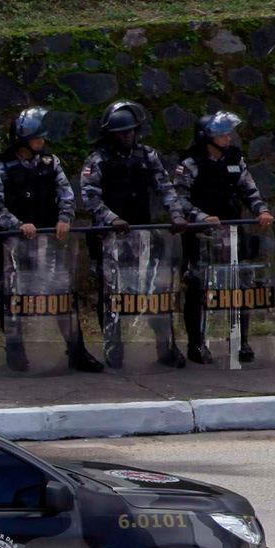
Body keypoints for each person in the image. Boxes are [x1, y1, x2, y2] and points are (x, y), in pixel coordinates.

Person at [0, 108, 102, 373]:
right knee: (12, 298)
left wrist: (64, 218)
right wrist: (17, 225)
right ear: (23, 139)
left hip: (49, 244)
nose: (42, 141)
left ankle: (77, 351)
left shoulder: (50, 163)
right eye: (37, 137)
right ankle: (15, 351)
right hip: (12, 246)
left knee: (62, 295)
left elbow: (66, 194)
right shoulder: (2, 167)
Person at [79, 100, 189, 367]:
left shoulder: (147, 155)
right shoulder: (98, 159)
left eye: (130, 131)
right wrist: (112, 219)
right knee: (112, 294)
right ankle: (113, 347)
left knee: (155, 291)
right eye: (121, 132)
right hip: (109, 238)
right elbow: (89, 197)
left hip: (144, 236)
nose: (127, 136)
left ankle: (166, 347)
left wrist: (176, 214)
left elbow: (165, 187)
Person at [176, 111, 275, 366]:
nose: (228, 137)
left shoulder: (234, 159)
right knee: (198, 286)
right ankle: (196, 343)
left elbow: (249, 189)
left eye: (228, 133)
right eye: (222, 134)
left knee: (241, 285)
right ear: (206, 137)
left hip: (233, 232)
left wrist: (261, 210)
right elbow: (179, 200)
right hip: (202, 235)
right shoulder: (190, 163)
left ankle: (240, 340)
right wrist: (201, 217)